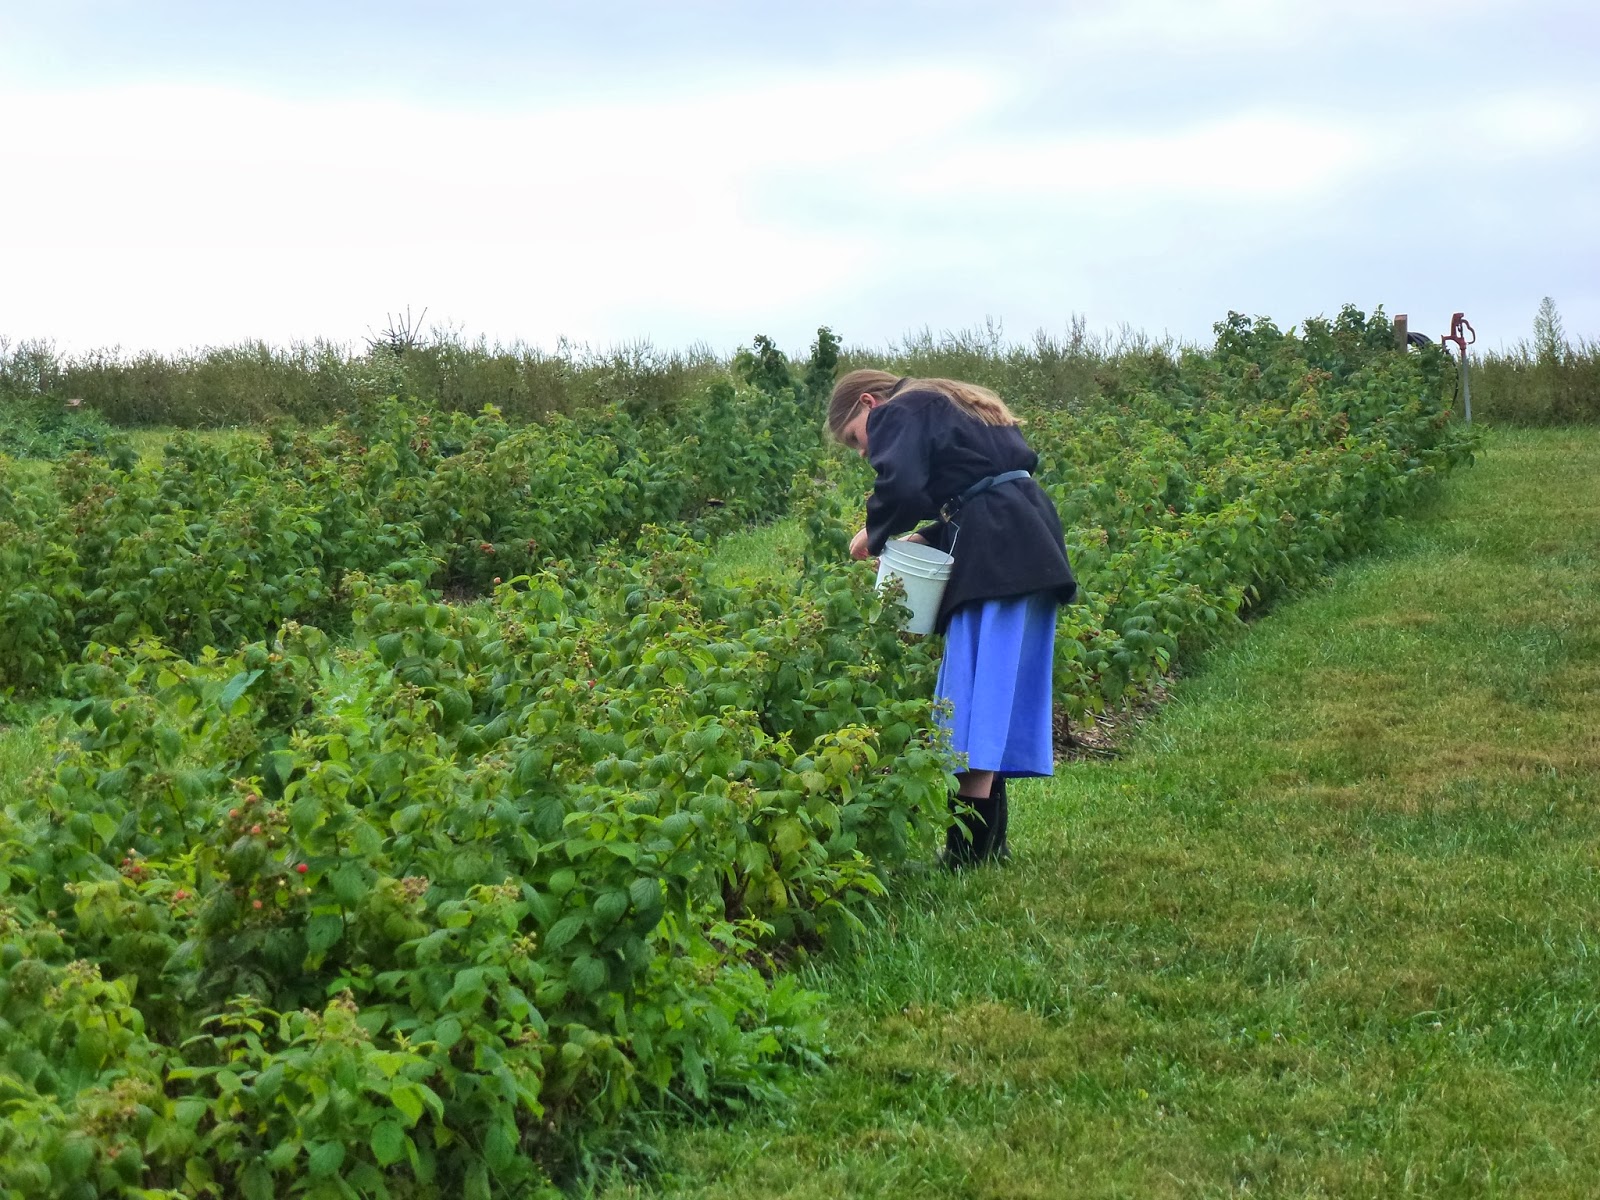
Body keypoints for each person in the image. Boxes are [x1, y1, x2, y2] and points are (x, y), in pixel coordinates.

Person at [827, 370, 1076, 866]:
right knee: (994, 693)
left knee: (973, 699)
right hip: (1026, 540)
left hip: (1000, 555)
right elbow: (980, 488)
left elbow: (901, 485)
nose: (864, 454)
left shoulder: (901, 409)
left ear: (869, 404)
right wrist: (931, 536)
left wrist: (871, 534)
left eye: (858, 440)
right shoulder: (950, 404)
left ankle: (968, 855)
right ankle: (989, 848)